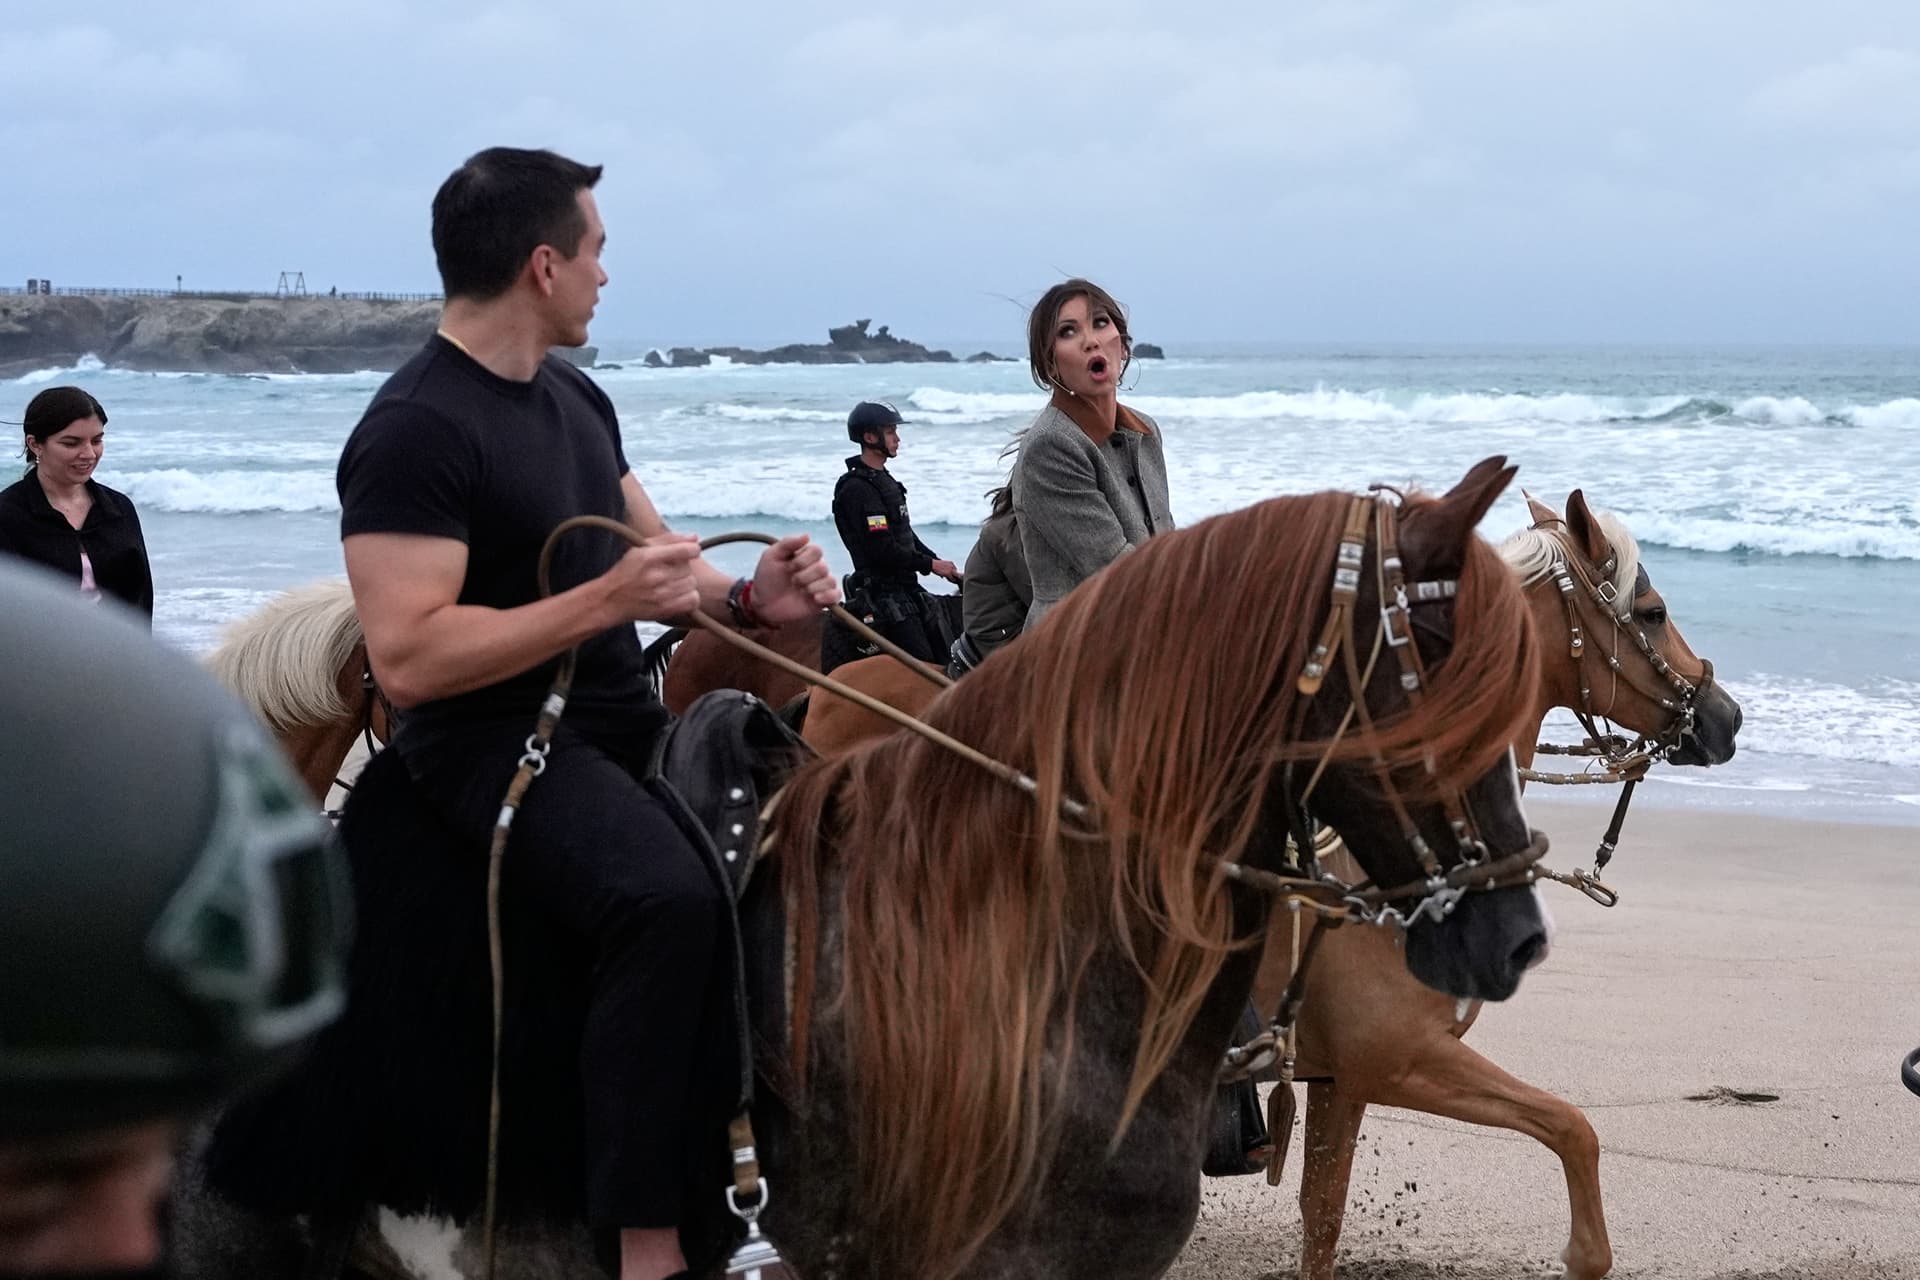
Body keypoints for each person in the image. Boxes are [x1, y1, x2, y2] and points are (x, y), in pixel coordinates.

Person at [237, 147, 832, 1280]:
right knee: (661, 899)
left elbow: (660, 561)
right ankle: (650, 1242)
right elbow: (409, 657)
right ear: (543, 264)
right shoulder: (414, 427)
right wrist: (602, 600)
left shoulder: (574, 395)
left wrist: (756, 597)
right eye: (597, 249)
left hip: (618, 725)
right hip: (489, 748)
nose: (609, 273)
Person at [0, 558, 349, 1275]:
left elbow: (134, 612)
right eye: (31, 1206)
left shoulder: (115, 515)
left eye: (151, 1171)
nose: (133, 1244)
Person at [1009, 279, 1173, 629]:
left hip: (1150, 632)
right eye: (1068, 332)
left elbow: (1163, 538)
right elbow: (1116, 568)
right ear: (1050, 363)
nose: (1091, 340)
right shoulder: (1051, 446)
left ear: (1123, 345)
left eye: (1100, 323)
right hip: (1077, 645)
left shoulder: (1145, 431)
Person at [0, 385, 154, 622]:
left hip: (117, 655)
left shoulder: (119, 509)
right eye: (71, 443)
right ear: (35, 444)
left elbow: (143, 602)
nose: (89, 454)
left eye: (96, 440)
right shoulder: (8, 515)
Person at [828, 400, 961, 668]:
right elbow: (882, 548)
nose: (897, 439)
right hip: (884, 593)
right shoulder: (858, 489)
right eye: (890, 432)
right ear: (869, 437)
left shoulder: (884, 481)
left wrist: (940, 566)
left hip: (906, 586)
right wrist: (929, 565)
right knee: (923, 668)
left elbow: (905, 534)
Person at [949, 483, 1030, 675]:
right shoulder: (1008, 533)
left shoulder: (1017, 526)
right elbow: (1040, 595)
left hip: (1010, 624)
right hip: (999, 634)